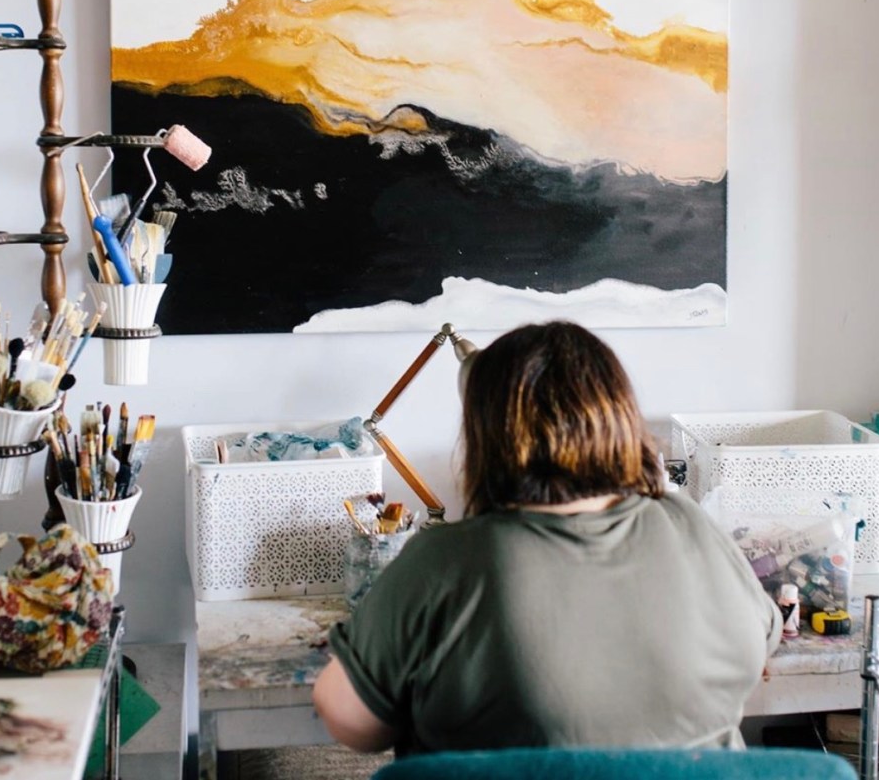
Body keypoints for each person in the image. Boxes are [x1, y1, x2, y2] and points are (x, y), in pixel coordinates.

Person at [313, 321, 781, 756]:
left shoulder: (444, 559)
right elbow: (763, 637)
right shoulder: (688, 522)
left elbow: (351, 720)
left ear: (487, 437)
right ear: (619, 419)